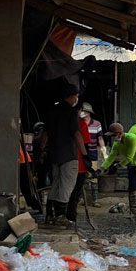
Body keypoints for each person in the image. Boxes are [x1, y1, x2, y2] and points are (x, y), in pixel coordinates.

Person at [41, 82, 90, 226]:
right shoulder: (70, 112)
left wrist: (43, 150)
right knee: (66, 186)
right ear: (73, 97)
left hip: (54, 155)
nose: (76, 99)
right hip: (69, 154)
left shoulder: (52, 111)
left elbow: (45, 133)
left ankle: (50, 215)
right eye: (76, 97)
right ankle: (60, 216)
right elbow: (77, 134)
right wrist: (85, 154)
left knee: (55, 184)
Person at [101, 123, 136, 218]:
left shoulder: (132, 139)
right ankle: (133, 212)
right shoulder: (117, 143)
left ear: (120, 133)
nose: (113, 138)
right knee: (133, 187)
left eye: (114, 135)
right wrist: (102, 168)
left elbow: (129, 157)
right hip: (134, 165)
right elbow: (110, 157)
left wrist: (117, 166)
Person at [66, 114, 94, 225]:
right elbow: (85, 143)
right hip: (78, 164)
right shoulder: (80, 123)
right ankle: (71, 217)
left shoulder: (57, 120)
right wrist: (87, 158)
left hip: (60, 161)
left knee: (62, 190)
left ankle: (57, 216)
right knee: (74, 193)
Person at [79, 102, 105, 207]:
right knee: (82, 178)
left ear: (88, 112)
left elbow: (100, 138)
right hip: (81, 154)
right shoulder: (78, 123)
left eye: (84, 111)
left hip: (93, 153)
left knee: (94, 177)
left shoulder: (97, 124)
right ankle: (81, 199)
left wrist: (104, 151)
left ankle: (95, 200)